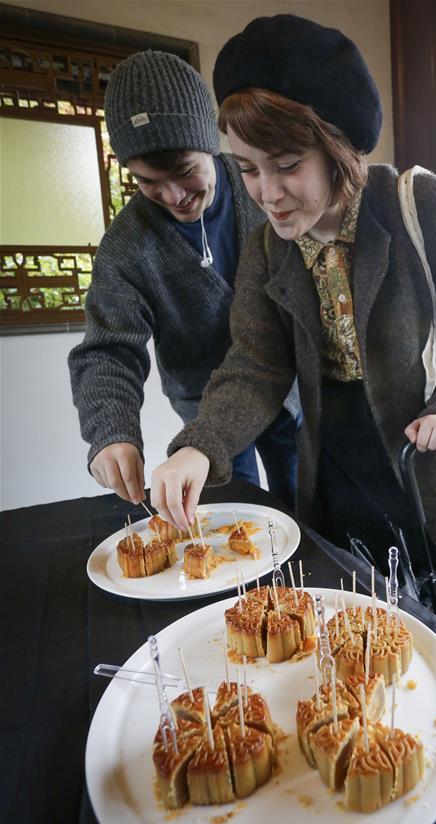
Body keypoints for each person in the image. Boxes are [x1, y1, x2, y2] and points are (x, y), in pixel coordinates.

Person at [150, 15, 436, 571]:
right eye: (248, 169)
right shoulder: (267, 249)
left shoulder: (421, 205)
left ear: (336, 146)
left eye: (287, 165)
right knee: (349, 602)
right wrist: (201, 445)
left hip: (423, 453)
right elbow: (255, 366)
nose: (268, 193)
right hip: (333, 464)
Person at [68, 50, 300, 509]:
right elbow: (108, 350)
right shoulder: (127, 246)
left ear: (209, 143)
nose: (174, 196)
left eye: (184, 172)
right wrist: (112, 431)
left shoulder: (261, 190)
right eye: (148, 182)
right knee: (235, 513)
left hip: (287, 385)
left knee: (303, 501)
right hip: (205, 407)